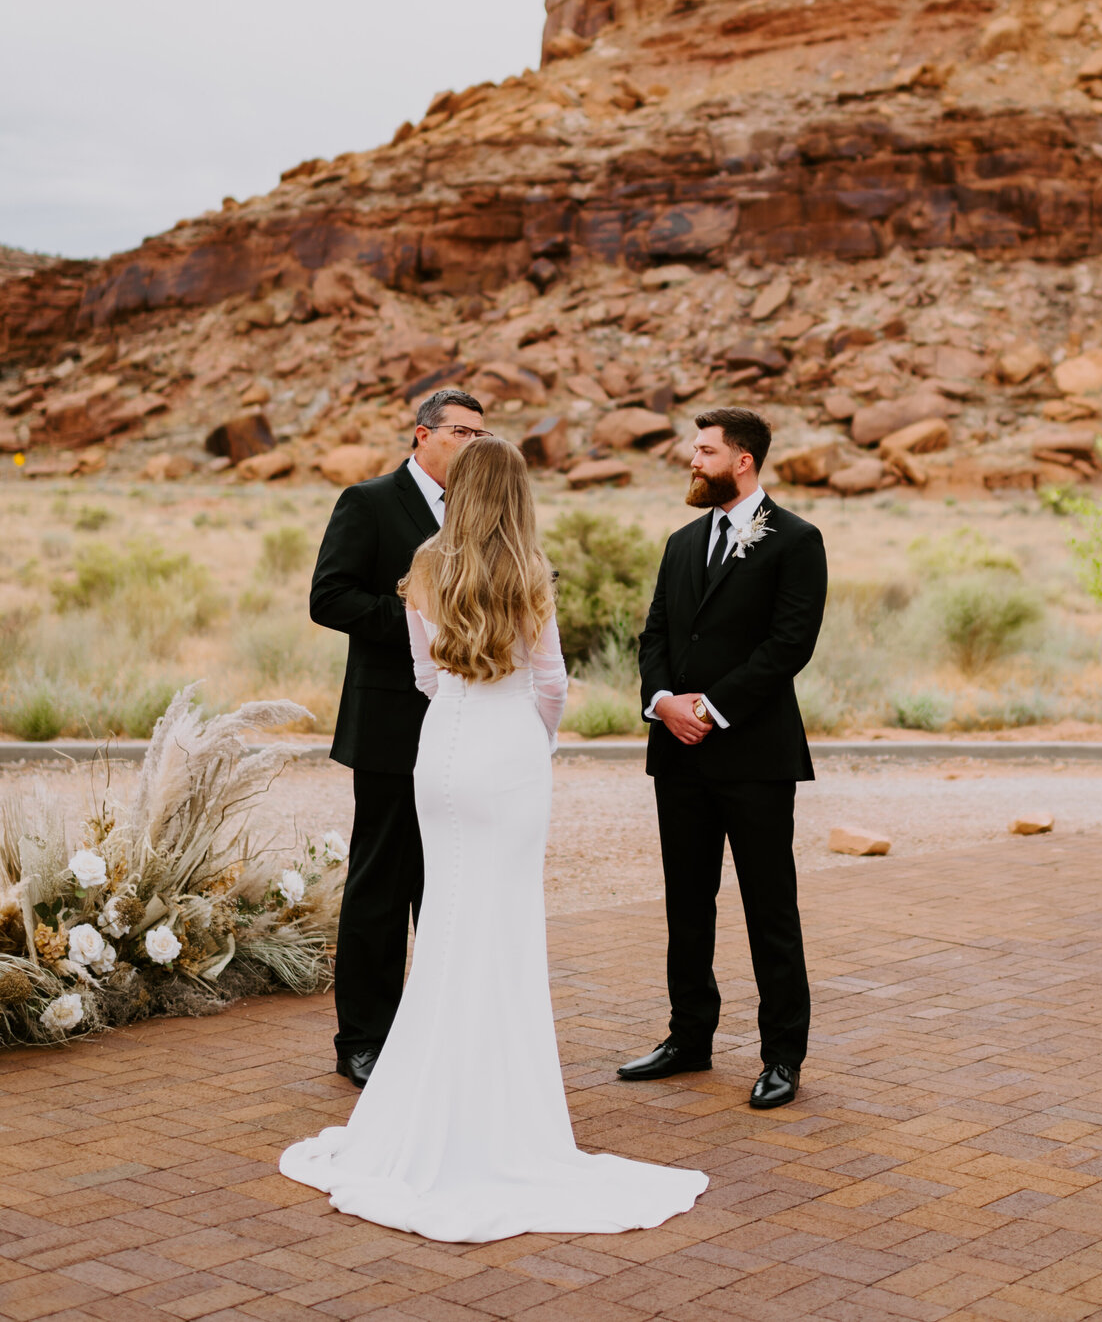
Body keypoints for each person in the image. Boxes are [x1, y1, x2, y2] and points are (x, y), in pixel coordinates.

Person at [282, 438, 708, 1240]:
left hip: (438, 750)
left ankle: (421, 1099)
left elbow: (424, 673)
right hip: (505, 753)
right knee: (503, 927)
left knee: (445, 918)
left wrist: (466, 716)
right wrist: (528, 738)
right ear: (516, 495)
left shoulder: (426, 564)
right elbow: (550, 682)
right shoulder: (529, 572)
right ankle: (496, 1112)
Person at [620, 407, 827, 1111]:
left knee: (771, 906)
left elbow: (789, 644)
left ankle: (783, 1055)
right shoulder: (681, 542)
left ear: (743, 460)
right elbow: (653, 635)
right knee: (687, 903)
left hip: (755, 755)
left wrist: (711, 706)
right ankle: (689, 1037)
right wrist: (663, 700)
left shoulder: (796, 539)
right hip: (677, 755)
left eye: (704, 450)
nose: (692, 460)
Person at [309, 386, 488, 1088]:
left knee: (447, 881)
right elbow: (330, 595)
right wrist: (421, 623)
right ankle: (362, 1038)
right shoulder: (369, 501)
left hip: (463, 721)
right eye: (462, 432)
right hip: (388, 721)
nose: (475, 443)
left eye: (482, 433)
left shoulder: (480, 510)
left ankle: (436, 1031)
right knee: (380, 882)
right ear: (423, 435)